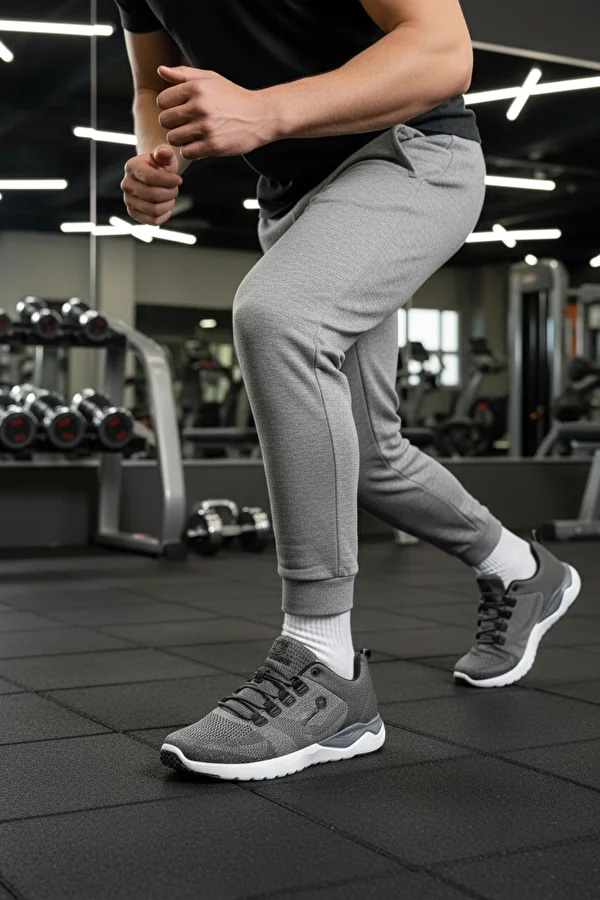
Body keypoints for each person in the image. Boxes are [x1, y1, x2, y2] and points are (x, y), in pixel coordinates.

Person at [115, 0, 581, 781]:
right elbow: (150, 84)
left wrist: (265, 111)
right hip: (294, 197)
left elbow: (442, 50)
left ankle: (324, 665)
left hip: (408, 152)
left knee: (278, 318)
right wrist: (158, 157)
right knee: (365, 455)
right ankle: (523, 570)